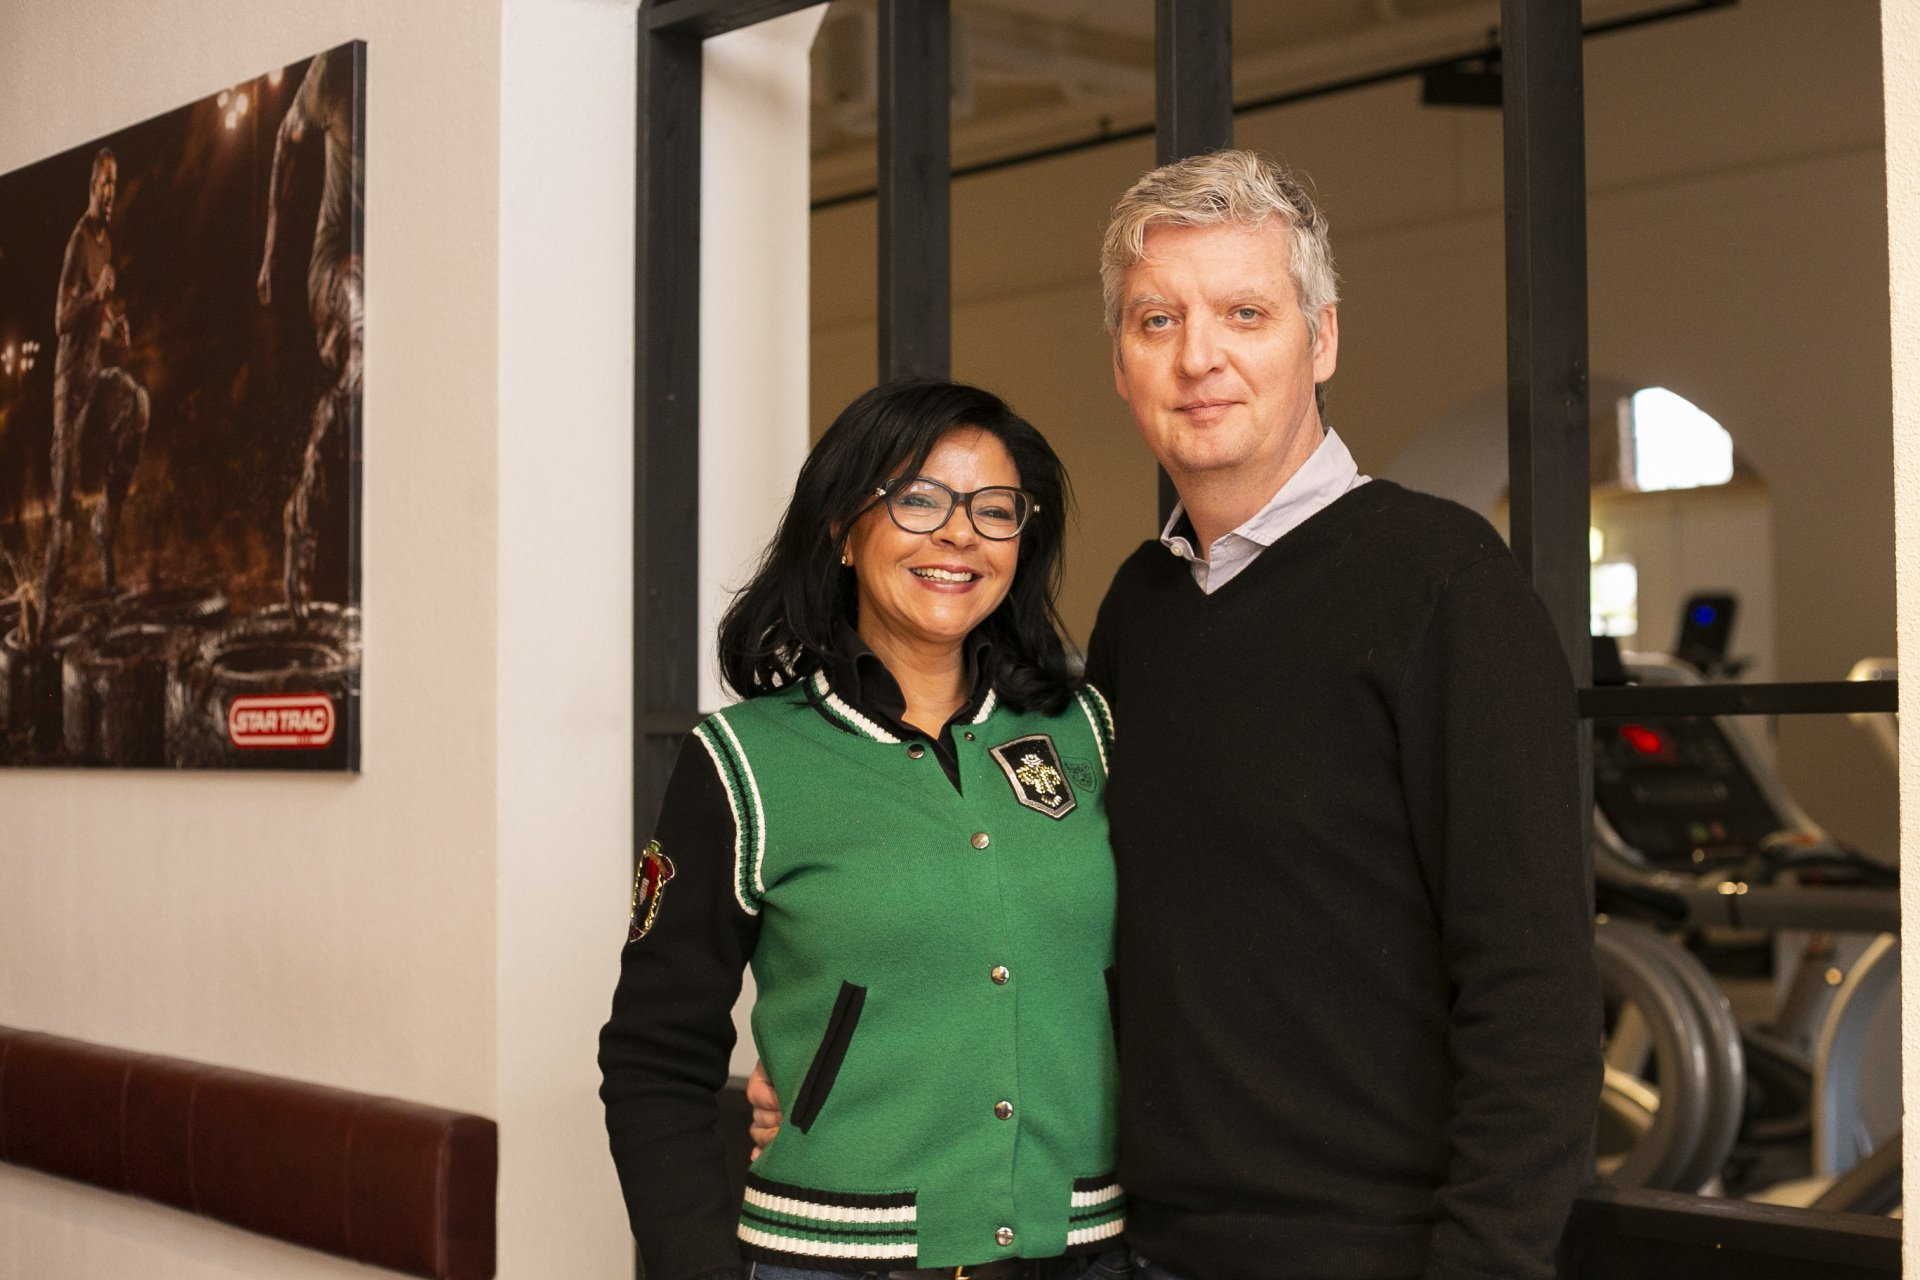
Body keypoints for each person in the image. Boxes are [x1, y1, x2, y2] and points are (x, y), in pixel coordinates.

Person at [753, 151, 1601, 1280]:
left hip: (1369, 1254)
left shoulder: (1445, 583)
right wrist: (843, 1071)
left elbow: (1533, 985)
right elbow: (1047, 921)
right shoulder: (1140, 609)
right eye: (1158, 319)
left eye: (1244, 312)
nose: (1198, 355)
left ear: (1323, 339)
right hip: (1131, 1244)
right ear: (1121, 361)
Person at [599, 380, 1130, 1280]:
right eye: (919, 500)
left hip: (1083, 1252)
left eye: (994, 509)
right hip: (836, 1258)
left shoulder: (1088, 731)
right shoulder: (745, 760)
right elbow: (655, 1053)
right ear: (845, 529)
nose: (959, 534)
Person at [259, 45, 363, 616]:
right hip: (336, 266)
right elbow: (283, 140)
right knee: (367, 338)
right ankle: (300, 517)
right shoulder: (333, 72)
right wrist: (272, 250)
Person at [39, 146, 150, 621]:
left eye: (115, 183)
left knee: (137, 403)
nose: (110, 192)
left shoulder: (108, 241)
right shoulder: (78, 240)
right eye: (104, 183)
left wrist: (115, 326)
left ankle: (108, 521)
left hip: (95, 381)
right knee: (62, 518)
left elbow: (95, 323)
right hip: (69, 387)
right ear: (91, 186)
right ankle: (42, 609)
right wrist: (93, 297)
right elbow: (61, 319)